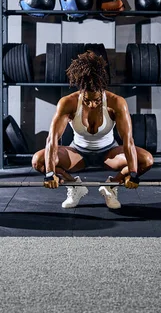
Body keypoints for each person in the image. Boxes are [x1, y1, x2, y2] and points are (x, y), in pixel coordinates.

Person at [32, 50, 154, 209]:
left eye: (97, 100)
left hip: (109, 154)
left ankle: (111, 186)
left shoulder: (116, 103)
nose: (92, 105)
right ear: (81, 91)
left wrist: (132, 173)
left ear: (102, 91)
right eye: (87, 101)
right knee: (38, 161)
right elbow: (52, 140)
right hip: (77, 154)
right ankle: (74, 186)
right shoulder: (68, 103)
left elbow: (128, 140)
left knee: (146, 160)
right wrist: (49, 174)